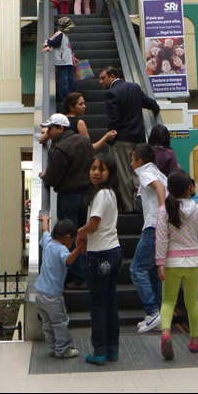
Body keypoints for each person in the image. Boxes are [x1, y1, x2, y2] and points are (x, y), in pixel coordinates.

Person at [155, 169, 198, 360]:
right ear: (189, 189)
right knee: (192, 302)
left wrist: (160, 262)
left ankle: (166, 334)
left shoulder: (164, 211)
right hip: (192, 263)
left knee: (168, 301)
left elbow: (160, 238)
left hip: (171, 263)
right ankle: (194, 341)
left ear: (168, 188)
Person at [75, 154, 123, 366]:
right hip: (114, 252)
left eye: (101, 169)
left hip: (101, 255)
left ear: (109, 173)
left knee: (98, 304)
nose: (95, 172)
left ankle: (99, 351)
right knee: (109, 302)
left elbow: (93, 225)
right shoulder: (110, 193)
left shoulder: (101, 194)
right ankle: (112, 350)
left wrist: (79, 233)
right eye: (93, 168)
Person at [42, 113, 95, 289]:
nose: (48, 132)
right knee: (83, 234)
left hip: (68, 197)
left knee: (70, 237)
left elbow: (53, 179)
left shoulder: (59, 149)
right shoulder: (85, 142)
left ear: (61, 128)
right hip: (87, 196)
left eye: (50, 128)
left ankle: (79, 277)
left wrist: (46, 177)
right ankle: (89, 273)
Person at [99, 66, 161, 213]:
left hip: (121, 140)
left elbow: (113, 120)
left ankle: (128, 206)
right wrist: (156, 108)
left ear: (112, 76)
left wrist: (110, 140)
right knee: (137, 172)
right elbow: (148, 102)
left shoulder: (111, 94)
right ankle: (143, 203)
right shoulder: (134, 87)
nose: (100, 82)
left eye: (103, 78)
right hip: (139, 138)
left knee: (123, 173)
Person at [34, 215, 85, 359]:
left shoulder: (48, 242)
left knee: (47, 323)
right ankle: (63, 350)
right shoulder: (62, 249)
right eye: (73, 241)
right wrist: (80, 247)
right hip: (53, 297)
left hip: (39, 294)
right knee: (60, 323)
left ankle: (52, 348)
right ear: (68, 237)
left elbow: (45, 231)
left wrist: (45, 221)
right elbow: (68, 260)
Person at [129, 143, 168, 334]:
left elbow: (159, 187)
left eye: (132, 159)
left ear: (140, 161)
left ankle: (153, 312)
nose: (130, 163)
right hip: (162, 229)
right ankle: (158, 315)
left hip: (153, 226)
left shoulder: (144, 172)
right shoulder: (159, 171)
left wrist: (161, 210)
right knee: (154, 272)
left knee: (137, 269)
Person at [43, 16, 76, 101]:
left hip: (67, 60)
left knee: (71, 80)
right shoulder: (59, 34)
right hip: (62, 61)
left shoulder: (64, 35)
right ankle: (66, 97)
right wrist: (47, 46)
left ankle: (71, 96)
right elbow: (50, 40)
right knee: (64, 80)